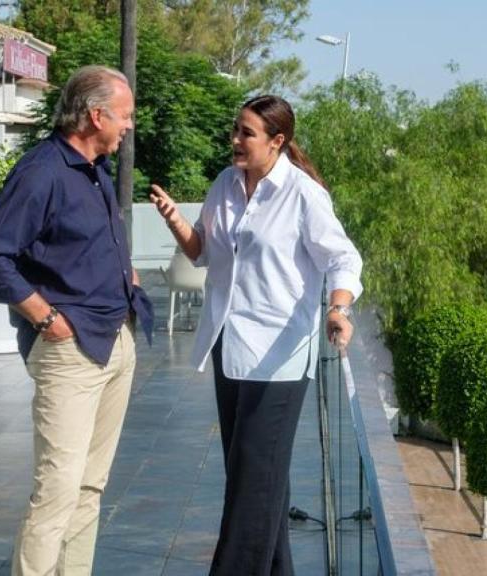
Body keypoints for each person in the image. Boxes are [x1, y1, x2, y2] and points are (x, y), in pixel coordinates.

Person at [149, 94, 363, 575]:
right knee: (253, 476)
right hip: (230, 345)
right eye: (236, 130)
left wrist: (338, 307)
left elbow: (342, 259)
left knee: (252, 479)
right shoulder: (226, 183)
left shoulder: (304, 194)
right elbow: (203, 252)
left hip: (281, 355)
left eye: (246, 133)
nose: (235, 141)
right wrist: (177, 221)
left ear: (277, 141)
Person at [0, 65, 153, 576]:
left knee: (90, 487)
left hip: (114, 339)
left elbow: (73, 246)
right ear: (96, 116)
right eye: (125, 116)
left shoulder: (94, 169)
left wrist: (121, 274)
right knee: (58, 488)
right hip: (70, 351)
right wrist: (46, 317)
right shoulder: (43, 170)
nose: (129, 126)